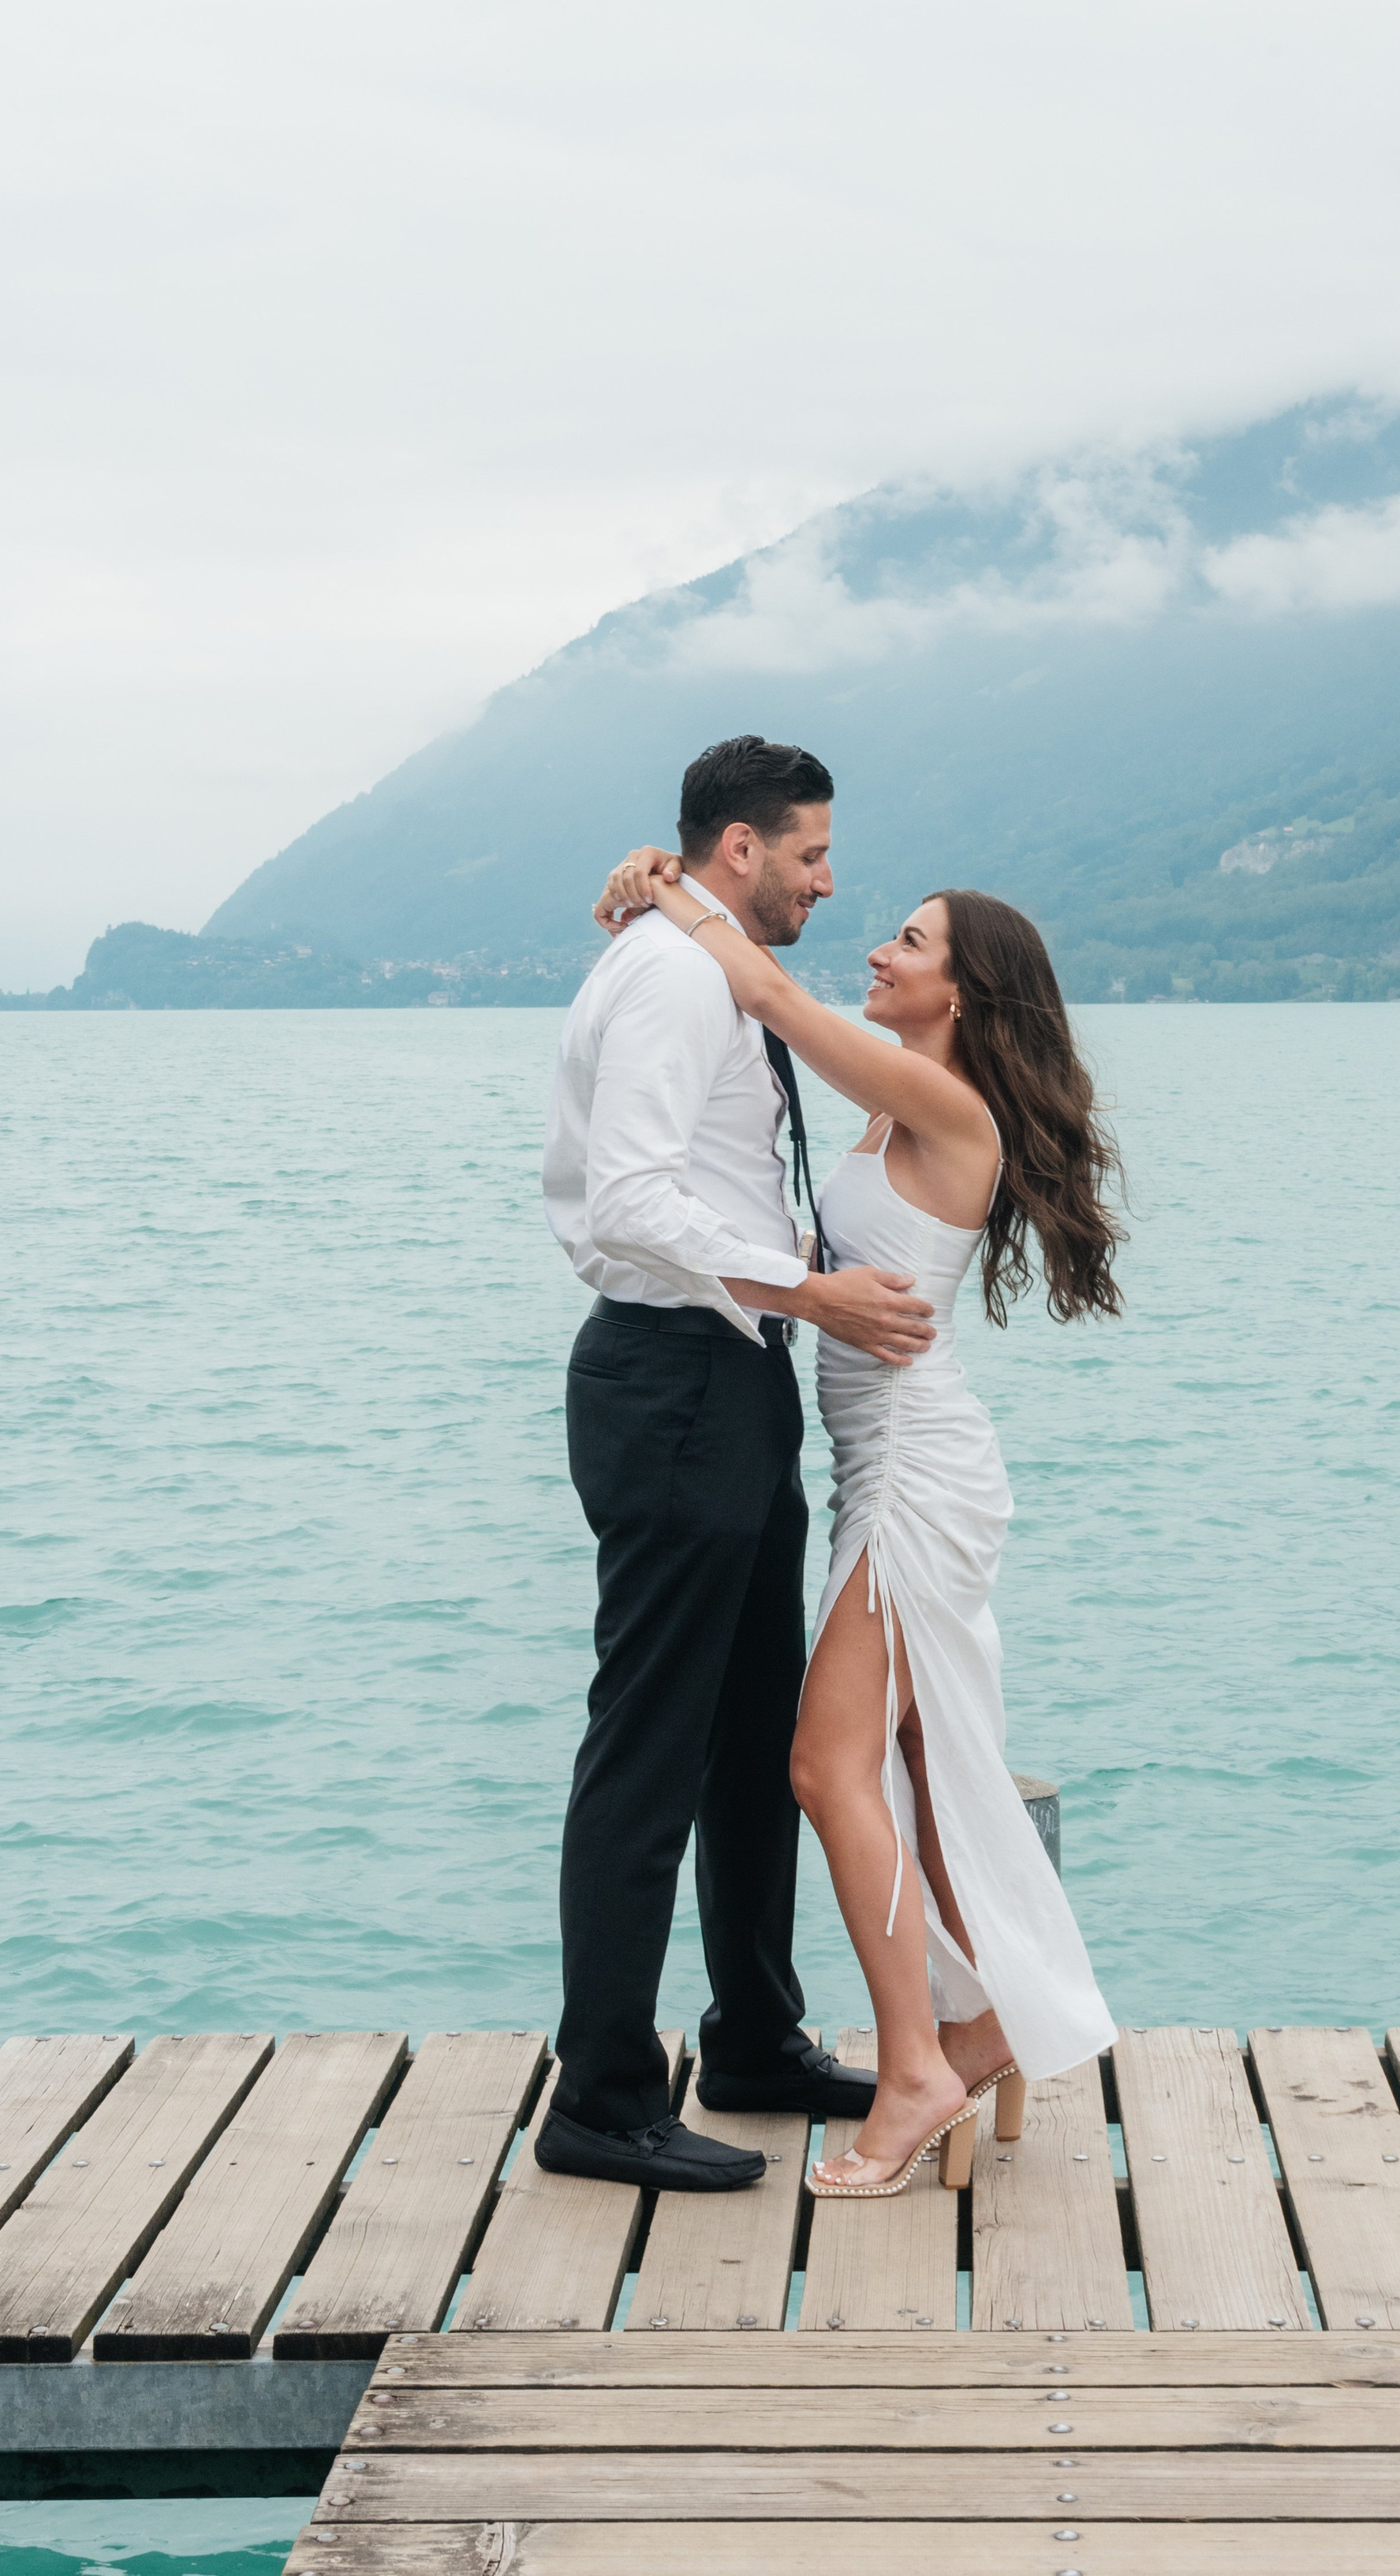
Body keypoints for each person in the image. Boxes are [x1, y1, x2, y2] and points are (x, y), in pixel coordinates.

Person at [593, 839, 1123, 2197]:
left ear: (965, 994)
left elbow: (772, 1001)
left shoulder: (942, 1103)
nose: (879, 949)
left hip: (915, 1474)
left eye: (909, 941)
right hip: (878, 1464)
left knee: (828, 1769)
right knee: (923, 1769)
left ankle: (912, 2071)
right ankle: (985, 2012)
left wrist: (670, 891)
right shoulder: (901, 1114)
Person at [538, 735, 944, 2194]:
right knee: (648, 1741)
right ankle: (600, 2092)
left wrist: (791, 1300)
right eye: (813, 854)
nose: (832, 882)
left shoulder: (703, 954)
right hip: (677, 1375)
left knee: (754, 1732)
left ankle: (757, 2035)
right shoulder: (665, 976)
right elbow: (637, 1199)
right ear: (738, 850)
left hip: (734, 1375)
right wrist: (806, 1289)